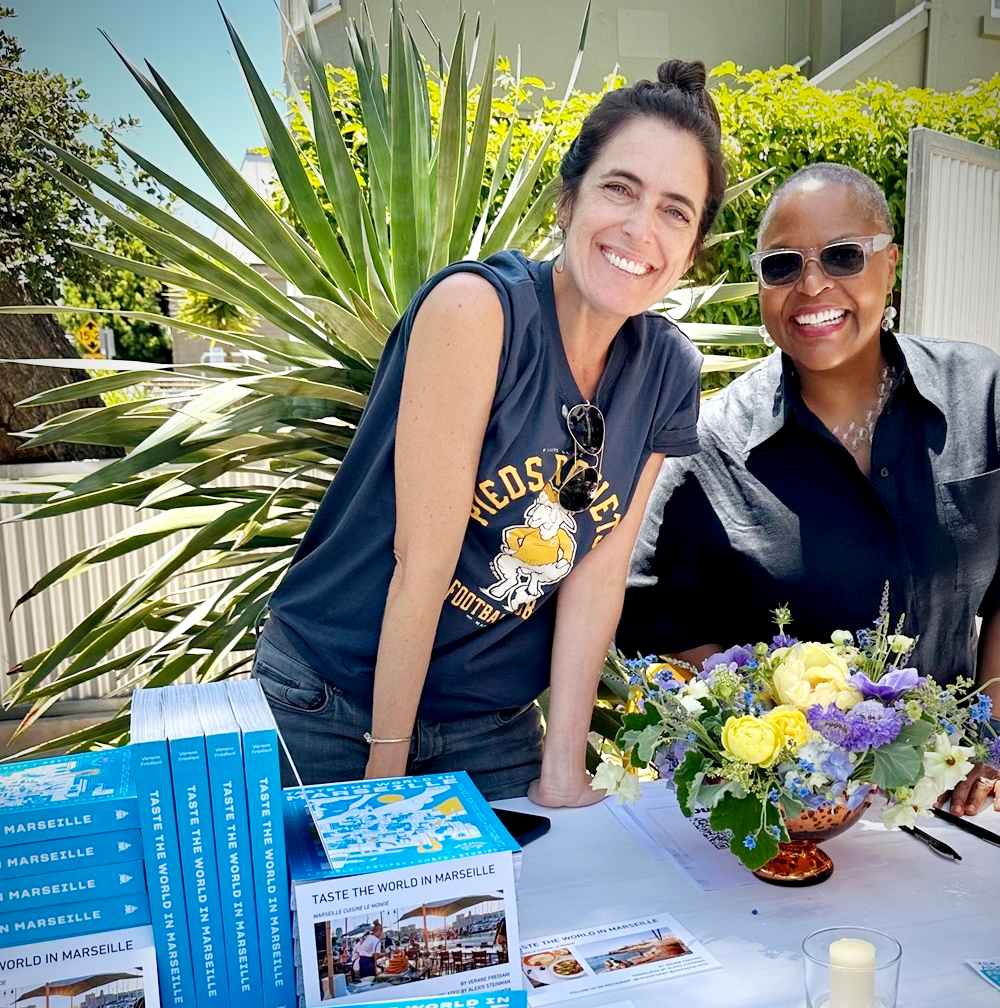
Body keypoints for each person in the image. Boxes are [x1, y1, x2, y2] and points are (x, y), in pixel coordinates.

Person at [253, 61, 727, 805]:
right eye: (620, 188)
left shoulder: (668, 370)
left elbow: (598, 574)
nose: (641, 229)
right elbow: (422, 561)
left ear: (693, 248)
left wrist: (563, 768)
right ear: (568, 200)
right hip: (336, 703)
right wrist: (387, 781)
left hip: (489, 724)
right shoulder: (479, 312)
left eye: (676, 210)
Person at [619, 162, 1000, 817]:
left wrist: (990, 749)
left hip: (957, 805)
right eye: (783, 265)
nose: (814, 284)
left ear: (891, 265)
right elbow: (661, 628)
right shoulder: (708, 448)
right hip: (794, 819)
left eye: (844, 256)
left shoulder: (981, 394)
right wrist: (774, 748)